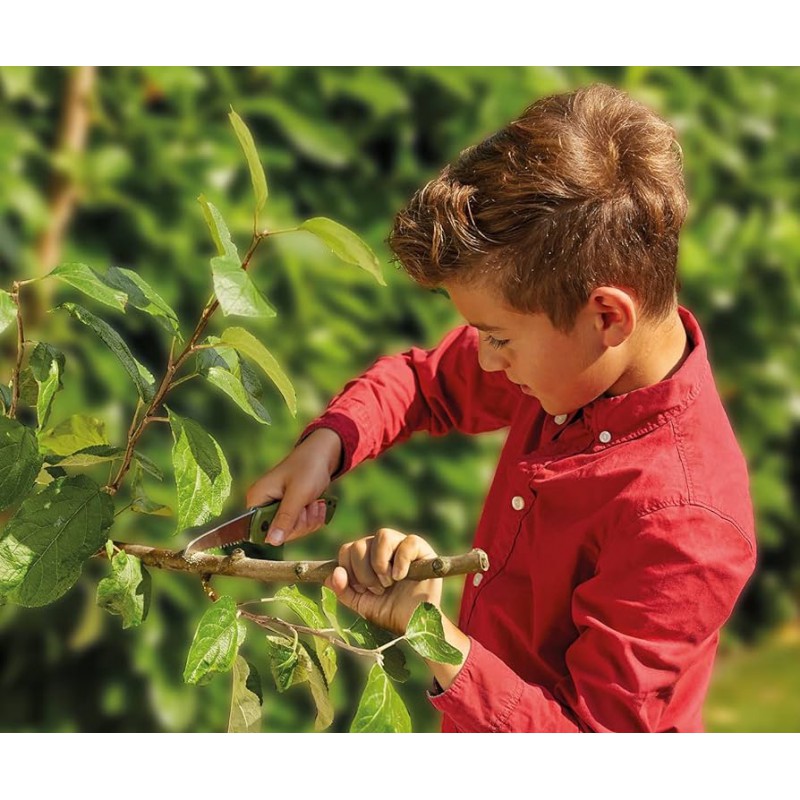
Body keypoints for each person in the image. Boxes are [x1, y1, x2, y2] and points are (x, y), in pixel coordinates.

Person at [246, 83, 757, 732]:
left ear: (607, 315)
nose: (485, 361)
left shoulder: (682, 525)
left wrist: (434, 637)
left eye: (499, 338)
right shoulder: (575, 358)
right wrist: (327, 447)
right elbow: (426, 382)